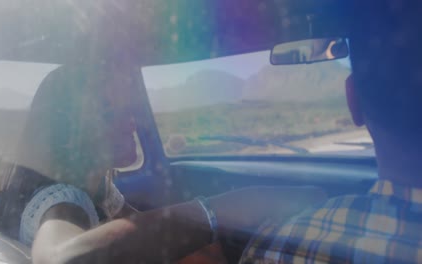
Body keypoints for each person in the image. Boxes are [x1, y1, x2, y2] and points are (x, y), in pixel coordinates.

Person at [32, 1, 422, 263]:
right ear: (72, 127)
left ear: (354, 101)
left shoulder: (102, 191)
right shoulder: (60, 197)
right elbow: (61, 259)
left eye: (130, 108)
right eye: (111, 111)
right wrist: (226, 208)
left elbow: (147, 232)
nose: (132, 121)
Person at [0, 65, 139, 246]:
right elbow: (58, 253)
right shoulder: (65, 203)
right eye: (115, 112)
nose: (132, 124)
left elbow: (139, 224)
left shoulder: (97, 186)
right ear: (72, 132)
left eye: (129, 109)